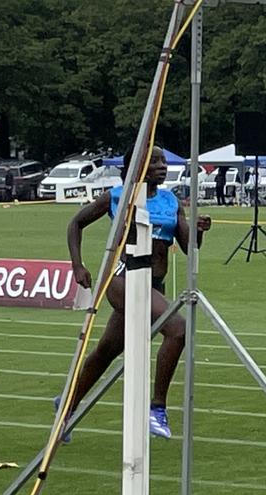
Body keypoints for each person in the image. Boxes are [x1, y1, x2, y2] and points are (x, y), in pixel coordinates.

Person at [58, 146, 211, 441]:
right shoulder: (117, 196)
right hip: (122, 276)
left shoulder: (171, 201)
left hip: (153, 284)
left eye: (164, 161)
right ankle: (157, 409)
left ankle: (66, 406)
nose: (162, 166)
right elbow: (75, 223)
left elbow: (191, 244)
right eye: (153, 161)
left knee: (106, 352)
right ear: (135, 166)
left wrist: (200, 229)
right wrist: (78, 265)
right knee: (178, 329)